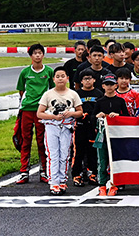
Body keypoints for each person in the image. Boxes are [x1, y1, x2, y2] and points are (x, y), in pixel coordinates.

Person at [37, 67, 83, 195]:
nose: (60, 78)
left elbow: (80, 112)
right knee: (53, 155)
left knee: (65, 155)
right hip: (52, 126)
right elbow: (39, 114)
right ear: (53, 79)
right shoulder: (48, 94)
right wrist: (53, 117)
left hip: (67, 127)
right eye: (58, 76)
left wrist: (70, 114)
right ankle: (54, 183)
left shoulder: (73, 94)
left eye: (63, 76)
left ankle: (62, 180)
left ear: (67, 78)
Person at [16, 43, 55, 184]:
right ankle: (23, 171)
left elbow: (52, 90)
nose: (38, 55)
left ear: (43, 55)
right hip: (27, 109)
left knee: (42, 141)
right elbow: (21, 91)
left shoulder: (49, 71)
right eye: (35, 53)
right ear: (31, 56)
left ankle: (44, 171)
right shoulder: (25, 72)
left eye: (40, 53)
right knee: (25, 140)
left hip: (42, 111)